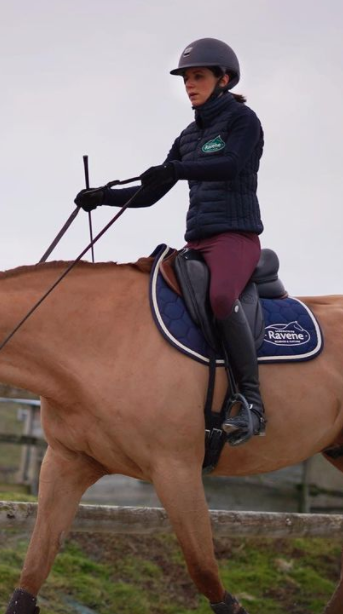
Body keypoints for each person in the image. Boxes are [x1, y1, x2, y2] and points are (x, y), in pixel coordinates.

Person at [75, 37, 267, 445]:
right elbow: (150, 192)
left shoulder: (242, 121)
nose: (190, 85)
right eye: (185, 79)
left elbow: (231, 164)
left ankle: (252, 403)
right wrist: (103, 198)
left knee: (219, 300)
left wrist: (177, 169)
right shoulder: (188, 136)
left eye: (198, 77)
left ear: (224, 79)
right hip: (197, 243)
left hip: (236, 238)